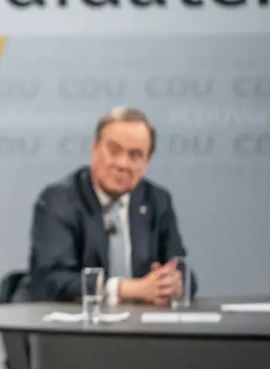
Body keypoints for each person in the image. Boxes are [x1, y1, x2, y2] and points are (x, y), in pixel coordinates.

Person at [29, 107, 196, 306]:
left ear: (147, 161)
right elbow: (52, 280)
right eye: (114, 150)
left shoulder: (157, 200)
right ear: (95, 148)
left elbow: (182, 270)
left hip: (141, 322)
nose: (122, 164)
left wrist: (173, 283)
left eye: (135, 155)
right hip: (78, 322)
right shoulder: (59, 200)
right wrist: (125, 289)